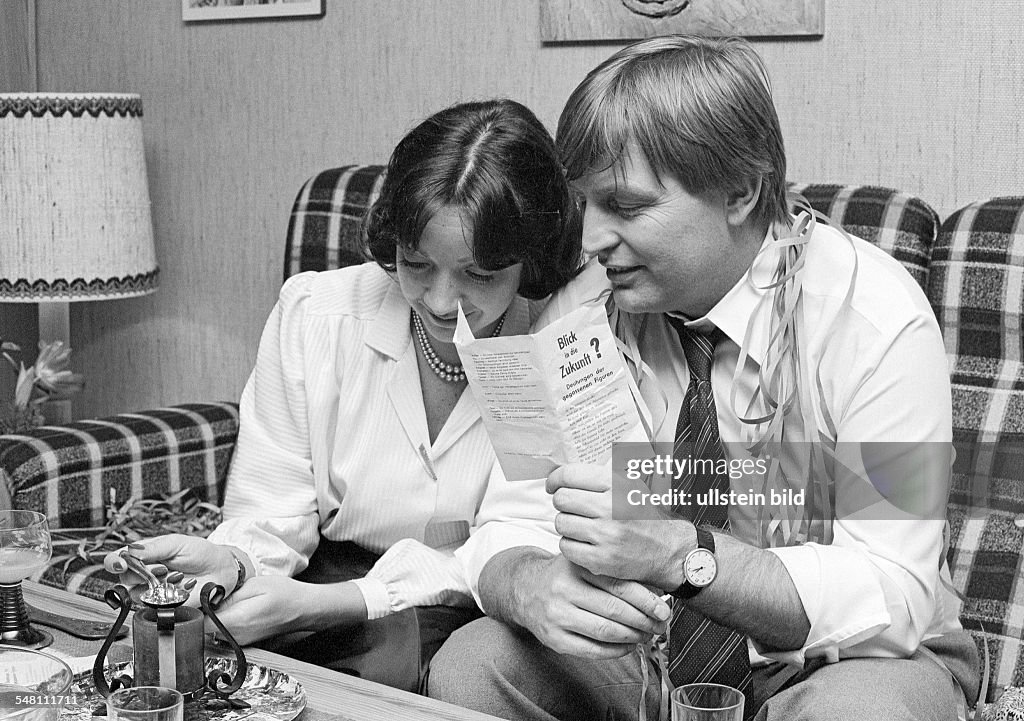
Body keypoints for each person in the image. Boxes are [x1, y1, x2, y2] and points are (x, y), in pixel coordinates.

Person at [427, 36, 980, 720]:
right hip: (647, 651)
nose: (592, 239)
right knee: (473, 663)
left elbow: (894, 593)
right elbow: (511, 518)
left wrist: (687, 556)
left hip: (846, 661)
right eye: (585, 205)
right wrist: (527, 581)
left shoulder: (874, 319)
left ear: (741, 192)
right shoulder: (580, 313)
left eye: (625, 207)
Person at [109, 98, 582, 690]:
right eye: (416, 265)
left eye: (478, 275)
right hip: (319, 576)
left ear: (530, 256)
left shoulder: (556, 346)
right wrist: (233, 563)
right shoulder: (315, 314)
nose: (440, 301)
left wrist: (344, 602)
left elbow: (514, 548)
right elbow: (271, 509)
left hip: (474, 601)